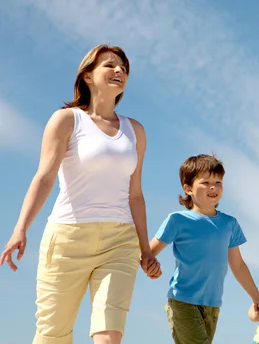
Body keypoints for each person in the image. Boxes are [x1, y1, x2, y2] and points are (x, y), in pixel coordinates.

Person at [0, 44, 161, 344]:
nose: (119, 71)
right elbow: (45, 177)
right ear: (87, 75)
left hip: (119, 242)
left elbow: (135, 195)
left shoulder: (135, 130)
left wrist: (145, 248)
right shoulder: (66, 120)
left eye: (124, 68)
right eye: (110, 65)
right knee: (53, 335)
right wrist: (20, 228)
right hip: (67, 238)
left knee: (109, 334)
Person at [149, 154, 259, 344]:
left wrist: (258, 300)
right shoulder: (178, 220)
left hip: (213, 305)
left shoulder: (229, 224)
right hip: (183, 302)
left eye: (218, 181)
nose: (213, 187)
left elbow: (238, 265)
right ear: (188, 188)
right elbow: (149, 253)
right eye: (205, 182)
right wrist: (150, 265)